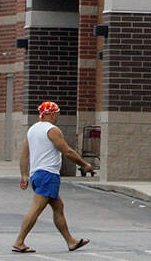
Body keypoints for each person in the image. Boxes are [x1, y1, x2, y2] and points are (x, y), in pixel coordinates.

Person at [12, 100, 95, 254]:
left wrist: (24, 174)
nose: (57, 116)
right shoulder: (52, 130)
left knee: (58, 207)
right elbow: (67, 151)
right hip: (48, 174)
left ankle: (71, 241)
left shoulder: (32, 130)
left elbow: (24, 154)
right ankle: (19, 241)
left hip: (37, 174)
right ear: (50, 114)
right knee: (36, 209)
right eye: (56, 113)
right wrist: (84, 164)